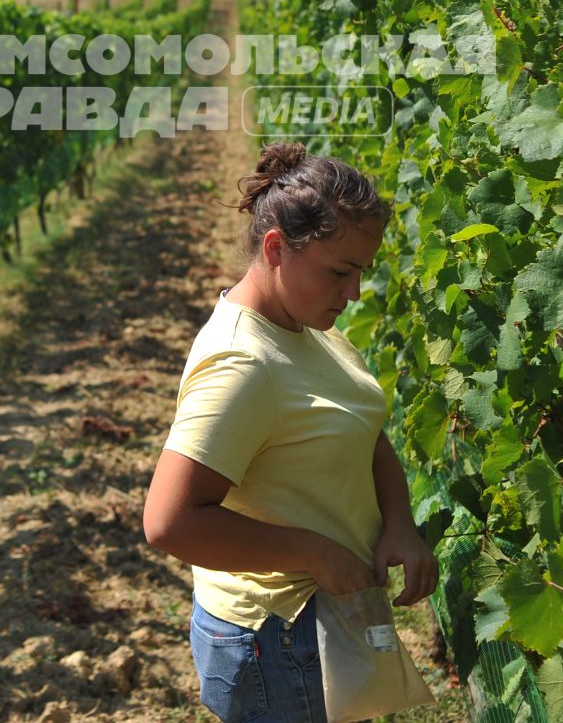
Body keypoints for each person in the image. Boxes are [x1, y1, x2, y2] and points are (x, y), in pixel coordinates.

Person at [143, 141, 438, 722]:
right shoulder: (243, 365)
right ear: (277, 249)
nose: (353, 293)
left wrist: (399, 523)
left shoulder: (306, 329)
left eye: (362, 272)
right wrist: (314, 552)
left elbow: (362, 429)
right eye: (340, 271)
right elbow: (168, 521)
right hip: (274, 639)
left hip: (309, 623)